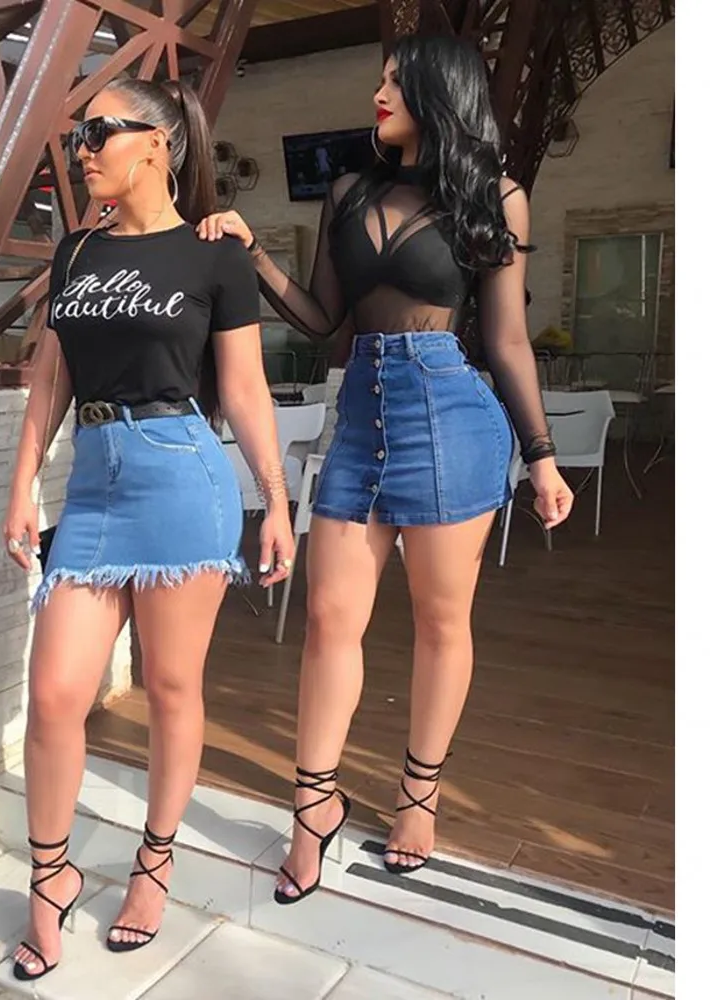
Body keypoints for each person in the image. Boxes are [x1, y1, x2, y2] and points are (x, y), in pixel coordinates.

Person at [198, 33, 574, 900]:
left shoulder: (496, 198)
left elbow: (508, 341)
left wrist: (544, 457)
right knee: (329, 618)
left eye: (398, 82)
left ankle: (419, 796)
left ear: (441, 94)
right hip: (360, 418)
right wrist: (253, 253)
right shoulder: (348, 190)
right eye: (381, 78)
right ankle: (313, 806)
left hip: (451, 418)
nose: (380, 92)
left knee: (442, 623)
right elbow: (322, 317)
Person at [3, 77, 296, 979]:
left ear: (157, 146)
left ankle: (155, 861)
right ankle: (50, 879)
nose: (83, 149)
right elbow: (50, 380)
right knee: (56, 694)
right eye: (79, 135)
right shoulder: (77, 252)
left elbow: (243, 391)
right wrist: (22, 487)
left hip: (183, 480)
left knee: (172, 686)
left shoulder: (215, 257)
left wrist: (277, 500)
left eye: (99, 132)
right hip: (94, 488)